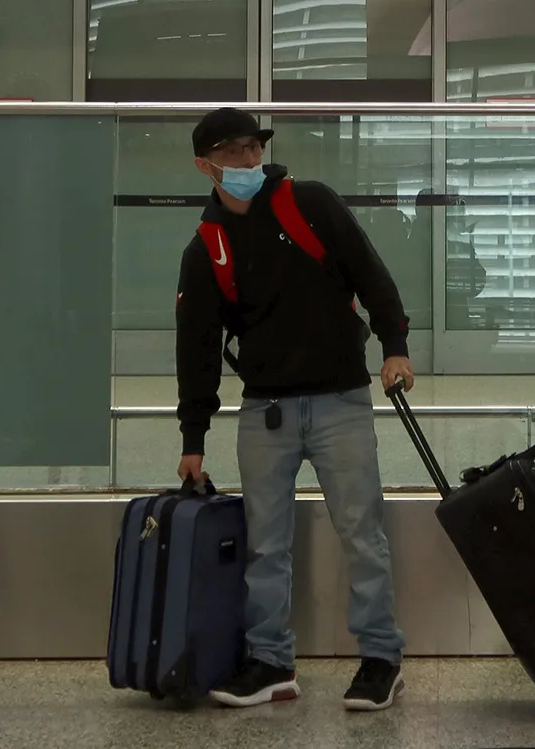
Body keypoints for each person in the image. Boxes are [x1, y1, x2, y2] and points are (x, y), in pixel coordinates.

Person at [176, 107, 415, 713]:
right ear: (206, 167)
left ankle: (381, 659)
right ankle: (271, 663)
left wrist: (395, 347)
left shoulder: (310, 203)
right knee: (266, 544)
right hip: (266, 411)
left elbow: (371, 272)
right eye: (233, 154)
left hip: (340, 400)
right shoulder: (207, 249)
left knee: (362, 533)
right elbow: (197, 349)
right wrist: (193, 437)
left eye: (254, 148)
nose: (249, 161)